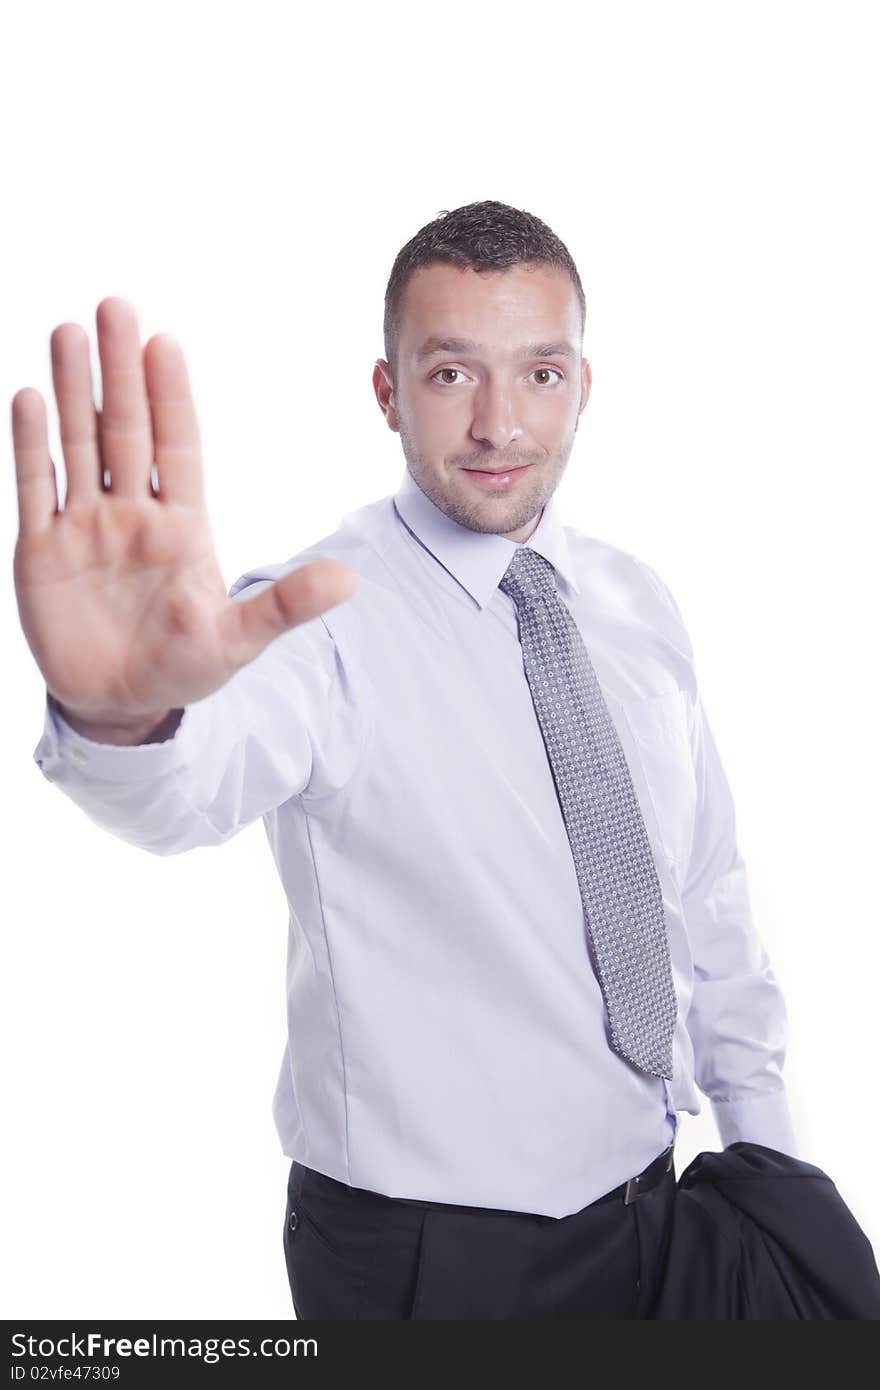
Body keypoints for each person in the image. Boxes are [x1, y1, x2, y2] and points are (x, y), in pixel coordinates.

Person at [12, 199, 800, 1320]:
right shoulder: (316, 619)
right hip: (434, 1263)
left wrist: (772, 1172)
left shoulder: (633, 603)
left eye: (538, 373)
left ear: (583, 384)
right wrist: (127, 716)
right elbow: (192, 784)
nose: (498, 425)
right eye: (449, 375)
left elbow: (707, 896)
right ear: (386, 392)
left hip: (664, 1216)